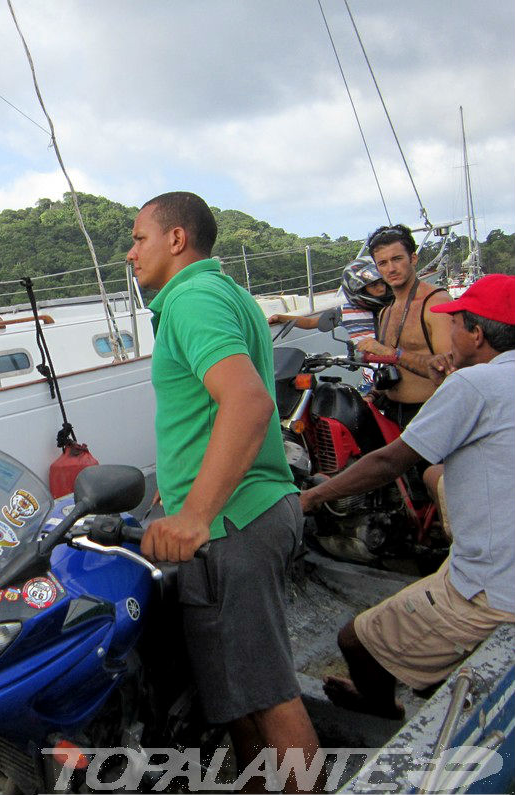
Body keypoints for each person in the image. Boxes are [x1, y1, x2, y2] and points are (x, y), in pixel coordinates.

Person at [128, 191, 319, 789]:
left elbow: (248, 401)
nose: (130, 253)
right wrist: (176, 494)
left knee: (267, 696)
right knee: (238, 695)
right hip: (250, 512)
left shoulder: (191, 298)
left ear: (176, 240)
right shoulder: (227, 292)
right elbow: (207, 413)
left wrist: (197, 515)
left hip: (234, 522)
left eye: (139, 239)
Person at [300, 274, 515, 719]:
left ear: (476, 334)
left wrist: (312, 498)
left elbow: (386, 464)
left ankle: (381, 706)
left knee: (354, 639)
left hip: (491, 590)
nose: (448, 333)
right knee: (436, 471)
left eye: (454, 324)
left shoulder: (474, 387)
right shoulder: (488, 380)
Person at [355, 224, 453, 428]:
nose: (390, 268)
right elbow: (394, 369)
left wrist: (390, 353)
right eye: (382, 263)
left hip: (431, 414)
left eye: (397, 259)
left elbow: (449, 370)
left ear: (413, 259)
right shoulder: (386, 312)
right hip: (392, 414)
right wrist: (373, 393)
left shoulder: (436, 302)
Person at [268, 257, 392, 341]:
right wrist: (281, 317)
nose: (381, 288)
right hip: (370, 374)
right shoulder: (347, 311)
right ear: (359, 289)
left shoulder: (395, 307)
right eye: (373, 285)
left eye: (382, 283)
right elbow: (310, 323)